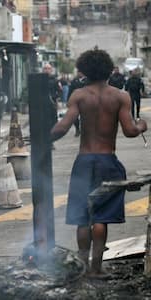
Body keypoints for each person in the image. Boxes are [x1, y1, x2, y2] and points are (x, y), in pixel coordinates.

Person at [51, 49, 147, 279]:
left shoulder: (79, 95)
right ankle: (96, 267)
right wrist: (142, 125)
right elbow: (130, 130)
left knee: (83, 217)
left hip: (84, 161)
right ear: (107, 69)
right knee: (101, 217)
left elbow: (63, 127)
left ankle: (82, 267)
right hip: (108, 162)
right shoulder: (120, 96)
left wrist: (42, 138)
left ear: (84, 70)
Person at [68, 71, 88, 137]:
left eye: (80, 72)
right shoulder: (74, 81)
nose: (79, 73)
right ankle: (77, 129)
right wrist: (68, 100)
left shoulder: (88, 80)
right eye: (78, 72)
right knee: (74, 117)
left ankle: (84, 130)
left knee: (84, 117)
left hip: (85, 101)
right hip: (76, 102)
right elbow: (70, 90)